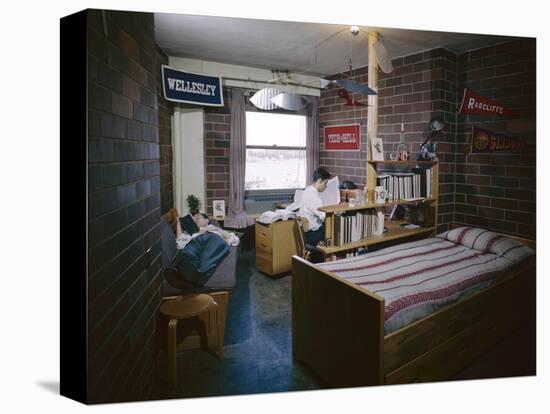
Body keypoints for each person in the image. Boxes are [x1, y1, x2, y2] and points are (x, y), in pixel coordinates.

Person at [299, 167, 331, 247]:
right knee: (336, 231)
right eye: (325, 183)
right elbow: (324, 217)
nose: (326, 186)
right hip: (314, 234)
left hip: (307, 233)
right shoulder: (313, 196)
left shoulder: (307, 191)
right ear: (320, 181)